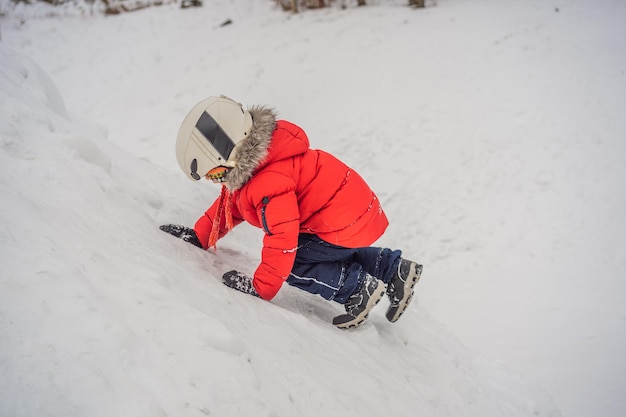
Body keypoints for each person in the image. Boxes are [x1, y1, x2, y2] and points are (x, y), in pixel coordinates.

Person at [160, 95, 422, 328]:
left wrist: (260, 287)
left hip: (344, 222)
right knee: (321, 250)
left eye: (215, 173)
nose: (217, 181)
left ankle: (356, 290)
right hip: (355, 215)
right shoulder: (265, 159)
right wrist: (201, 236)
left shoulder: (268, 180)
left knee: (294, 263)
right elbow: (232, 205)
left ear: (231, 152)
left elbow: (282, 240)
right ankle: (393, 269)